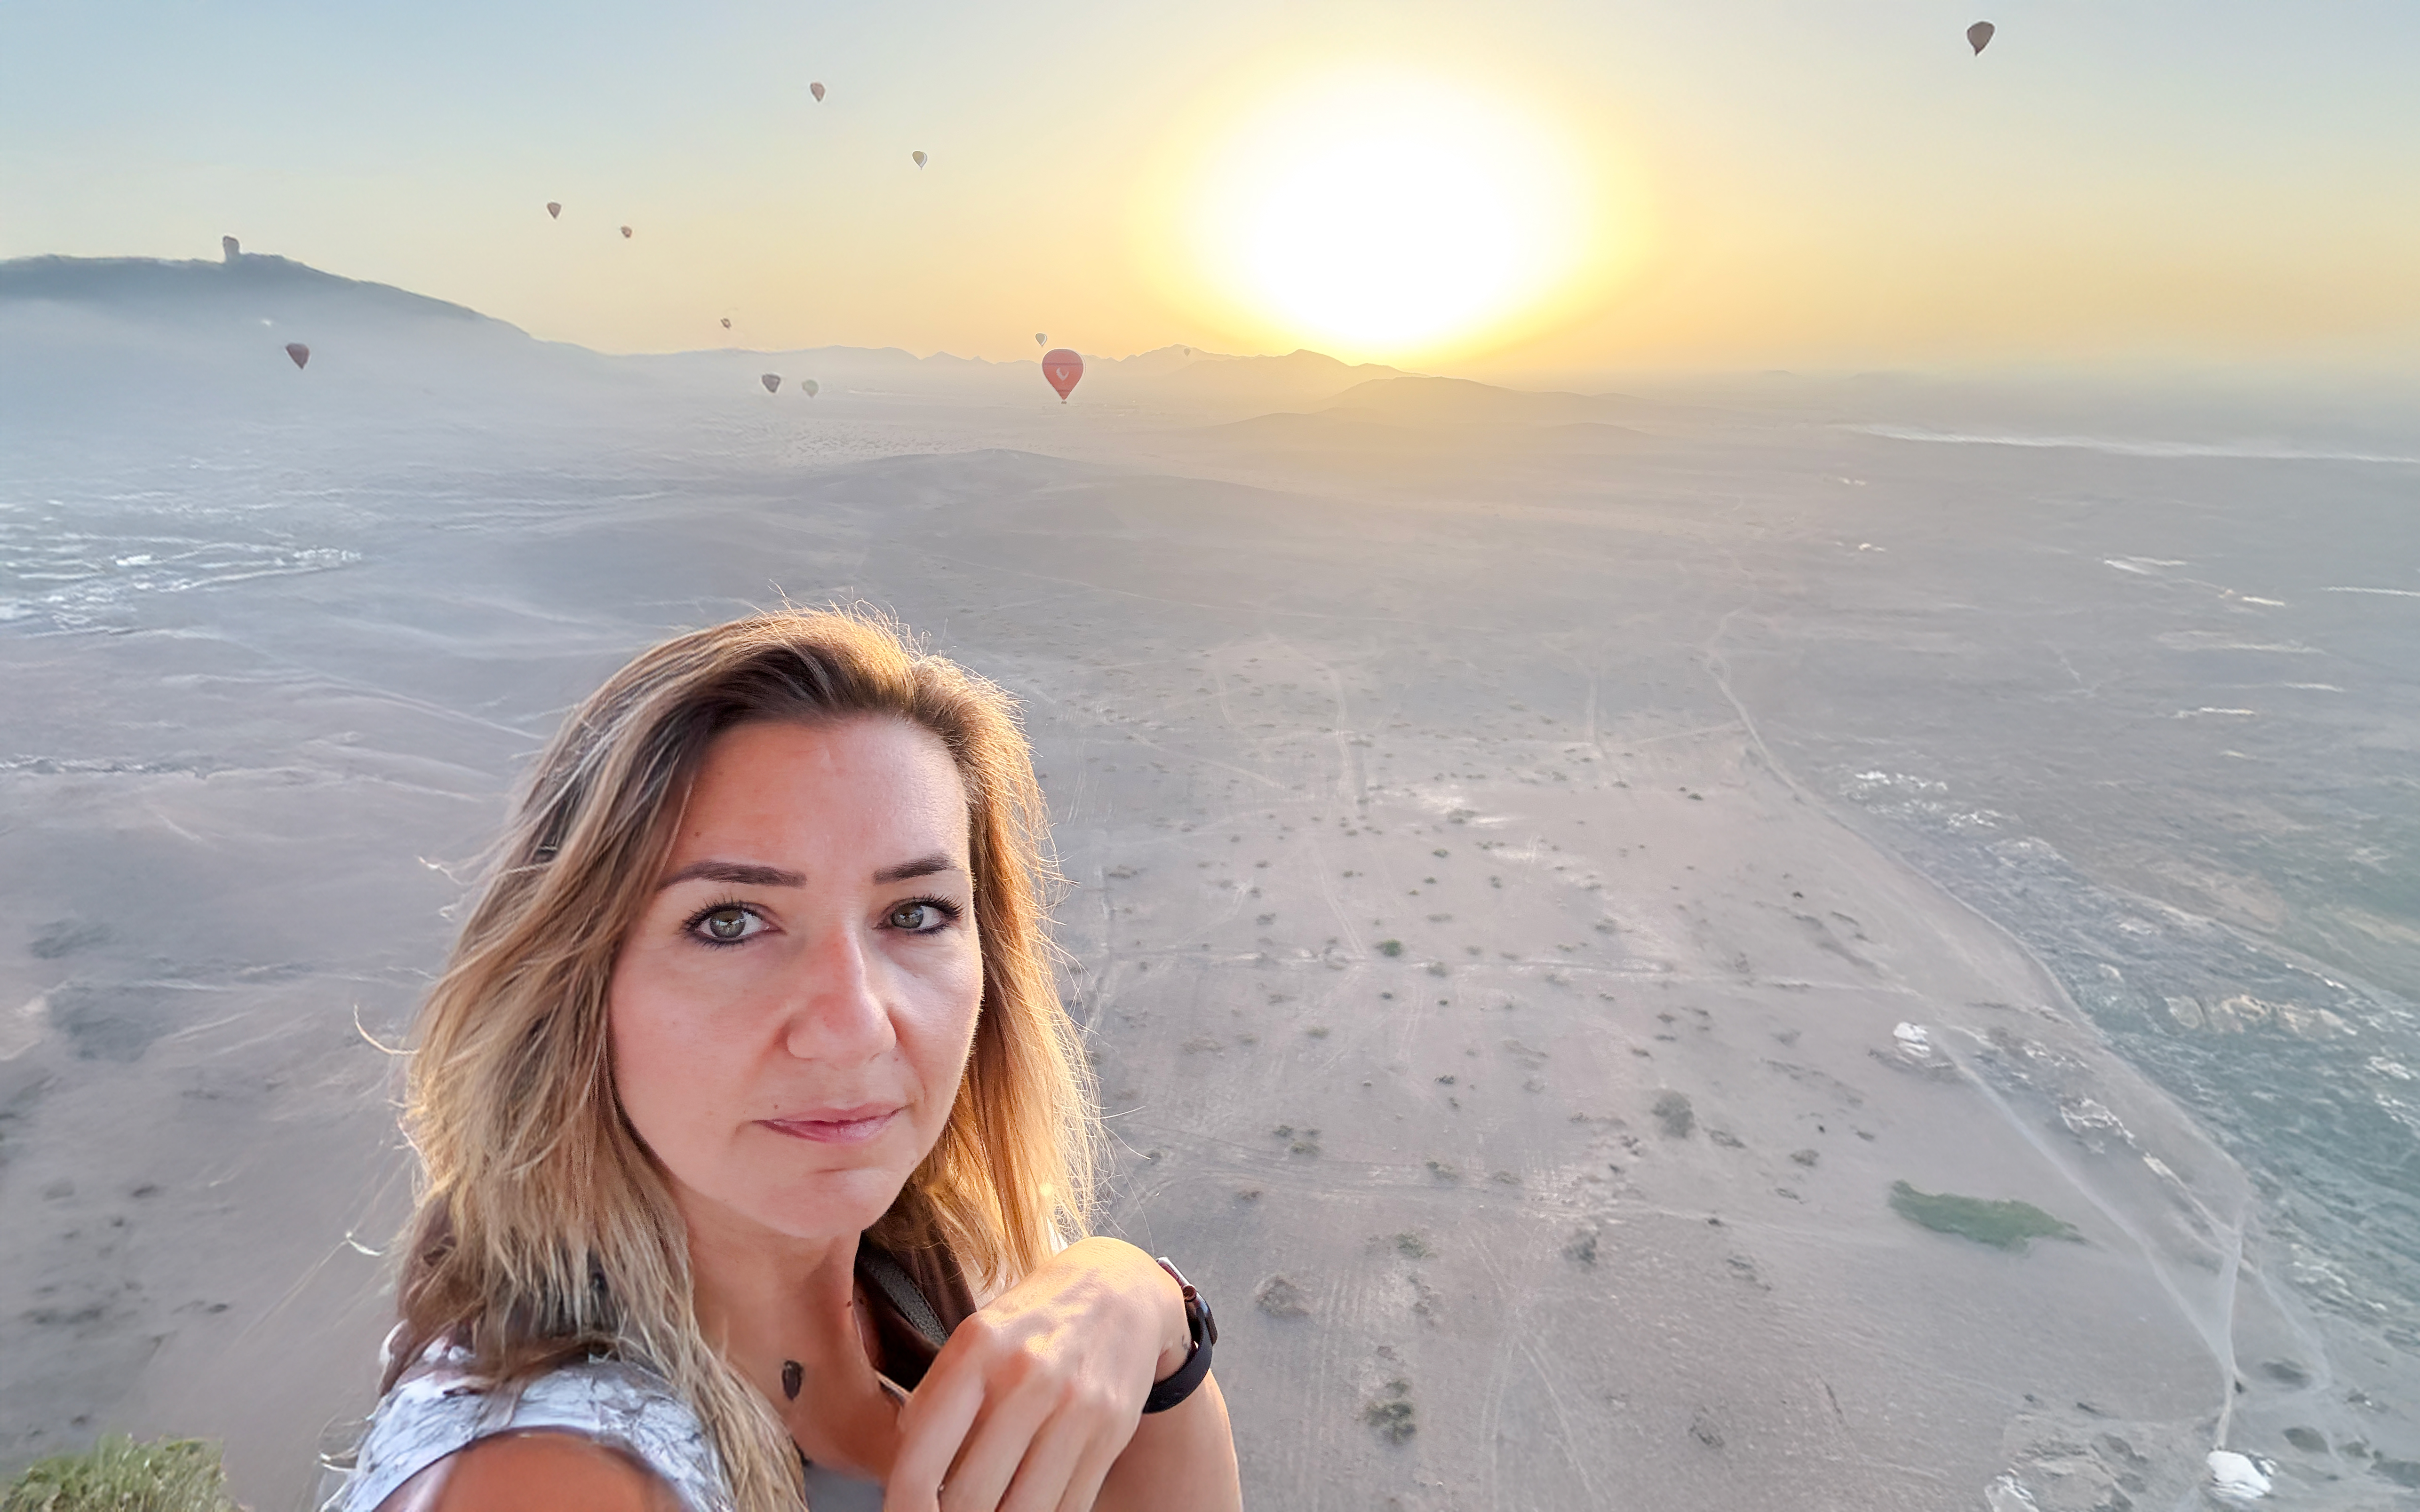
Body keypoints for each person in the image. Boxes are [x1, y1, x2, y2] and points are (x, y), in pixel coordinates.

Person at [333, 610, 1241, 1512]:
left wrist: (1146, 1308)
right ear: (575, 985)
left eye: (915, 914)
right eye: (729, 923)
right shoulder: (548, 1480)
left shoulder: (946, 1276)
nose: (854, 1027)